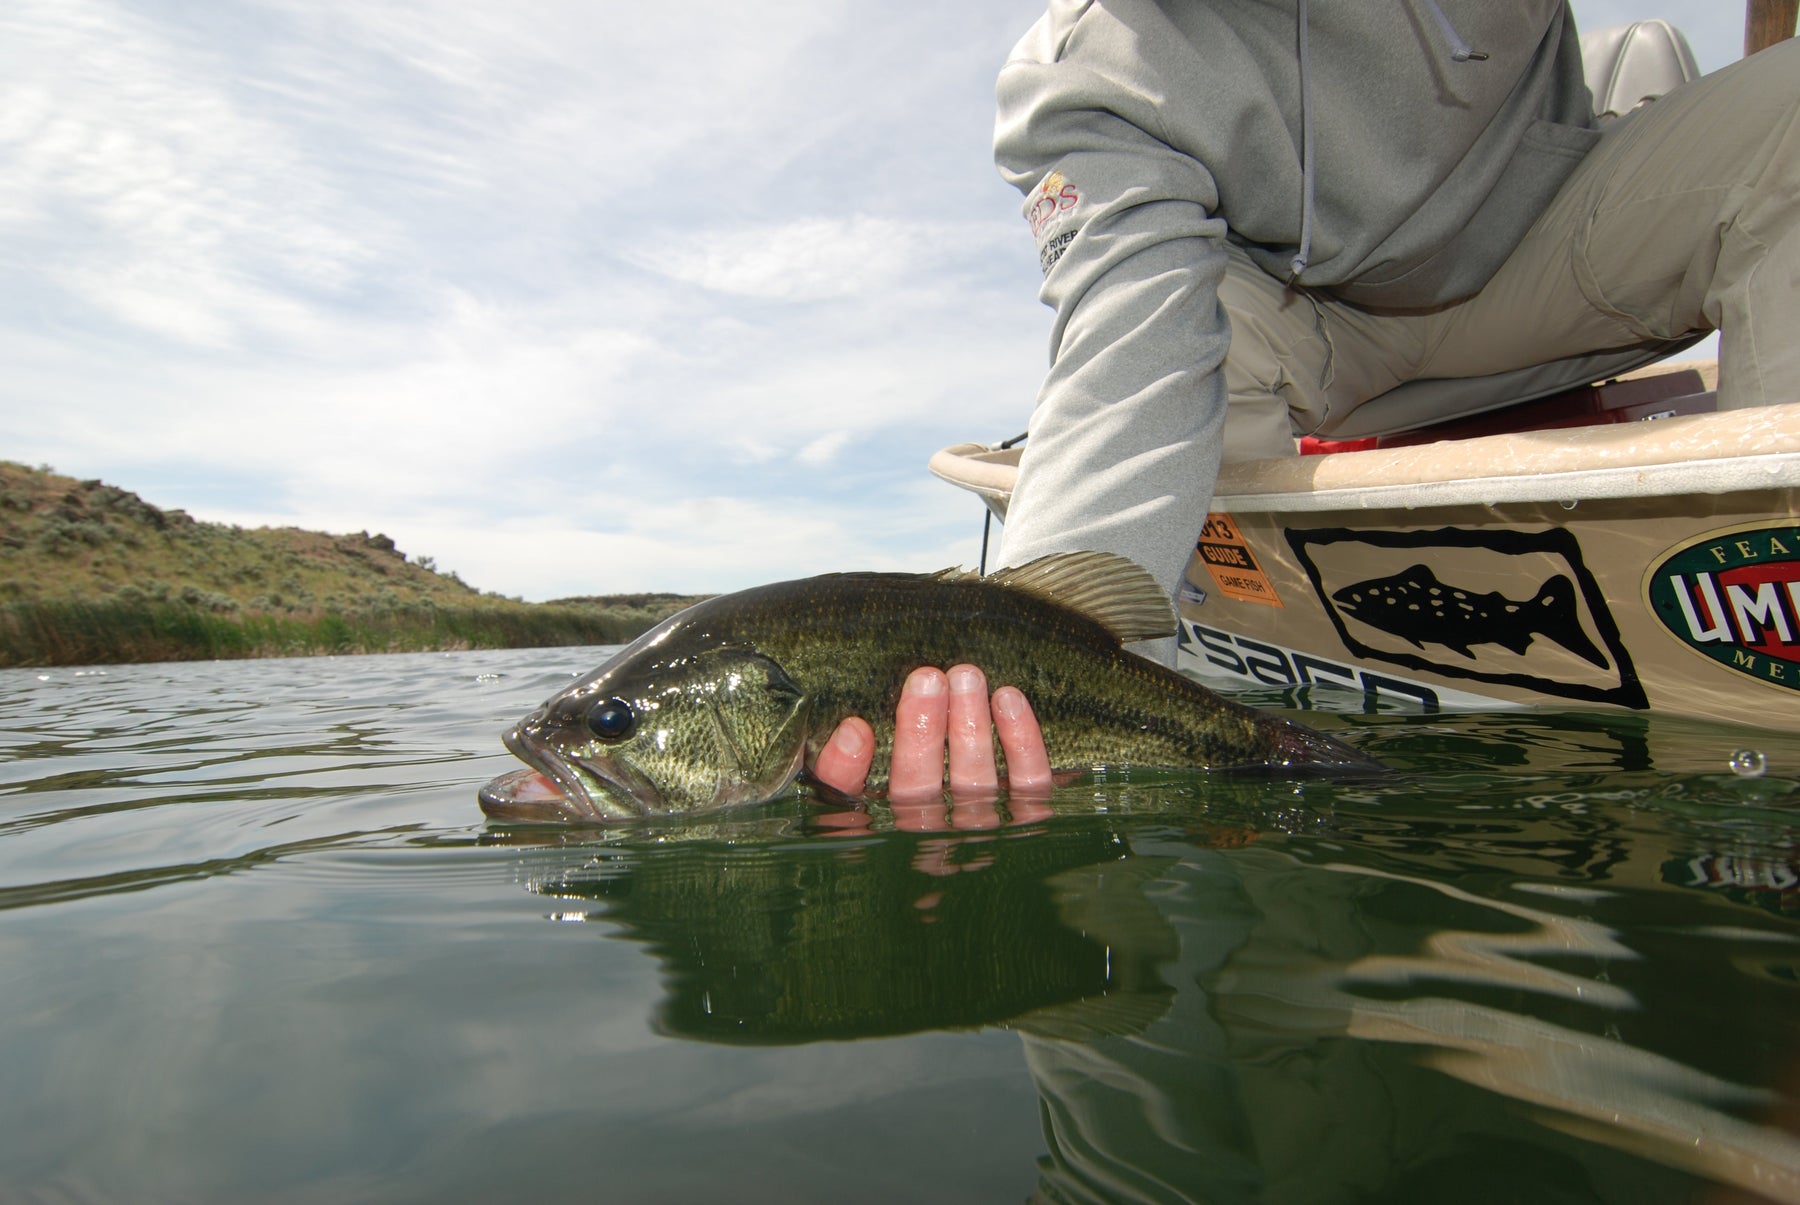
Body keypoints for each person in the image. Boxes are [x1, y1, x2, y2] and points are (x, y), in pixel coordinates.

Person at [816, 1, 1800, 801]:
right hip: (1322, 329)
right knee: (1189, 325)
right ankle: (1225, 660)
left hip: (1549, 251)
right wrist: (1018, 685)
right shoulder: (1079, 74)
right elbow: (1132, 336)